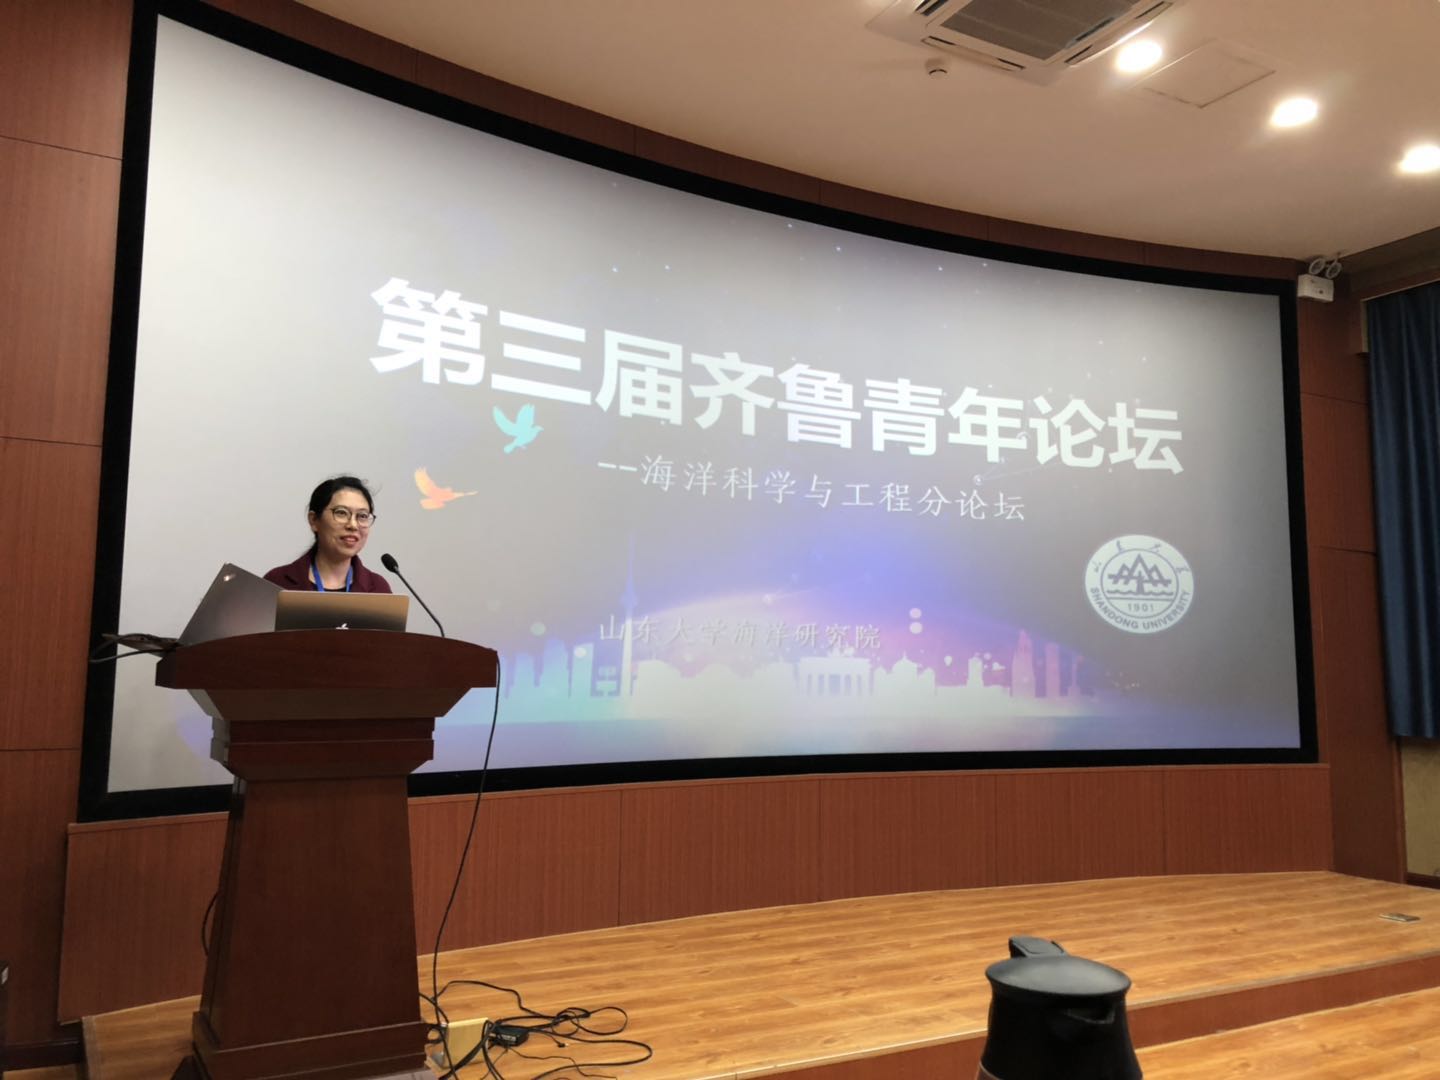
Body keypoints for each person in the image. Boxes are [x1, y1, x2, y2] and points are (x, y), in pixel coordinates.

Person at [264, 476, 392, 593]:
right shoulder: (277, 582)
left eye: (362, 516)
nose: (353, 525)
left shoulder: (378, 589)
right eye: (341, 513)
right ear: (314, 520)